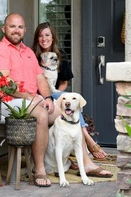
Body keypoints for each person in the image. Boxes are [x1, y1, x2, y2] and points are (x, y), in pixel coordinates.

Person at [0, 13, 111, 188]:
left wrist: (46, 97)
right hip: (8, 101)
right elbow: (5, 83)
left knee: (68, 112)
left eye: (20, 27)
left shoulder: (28, 52)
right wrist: (30, 97)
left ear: (25, 30)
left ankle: (86, 163)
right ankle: (40, 170)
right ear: (4, 29)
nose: (16, 30)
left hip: (31, 99)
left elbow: (40, 80)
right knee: (41, 115)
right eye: (12, 26)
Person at [32, 22, 112, 176]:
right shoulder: (32, 57)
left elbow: (63, 83)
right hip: (39, 98)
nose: (44, 39)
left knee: (68, 101)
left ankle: (84, 157)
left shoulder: (60, 56)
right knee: (68, 104)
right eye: (40, 36)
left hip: (55, 96)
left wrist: (57, 97)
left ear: (53, 37)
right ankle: (89, 142)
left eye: (47, 35)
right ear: (36, 39)